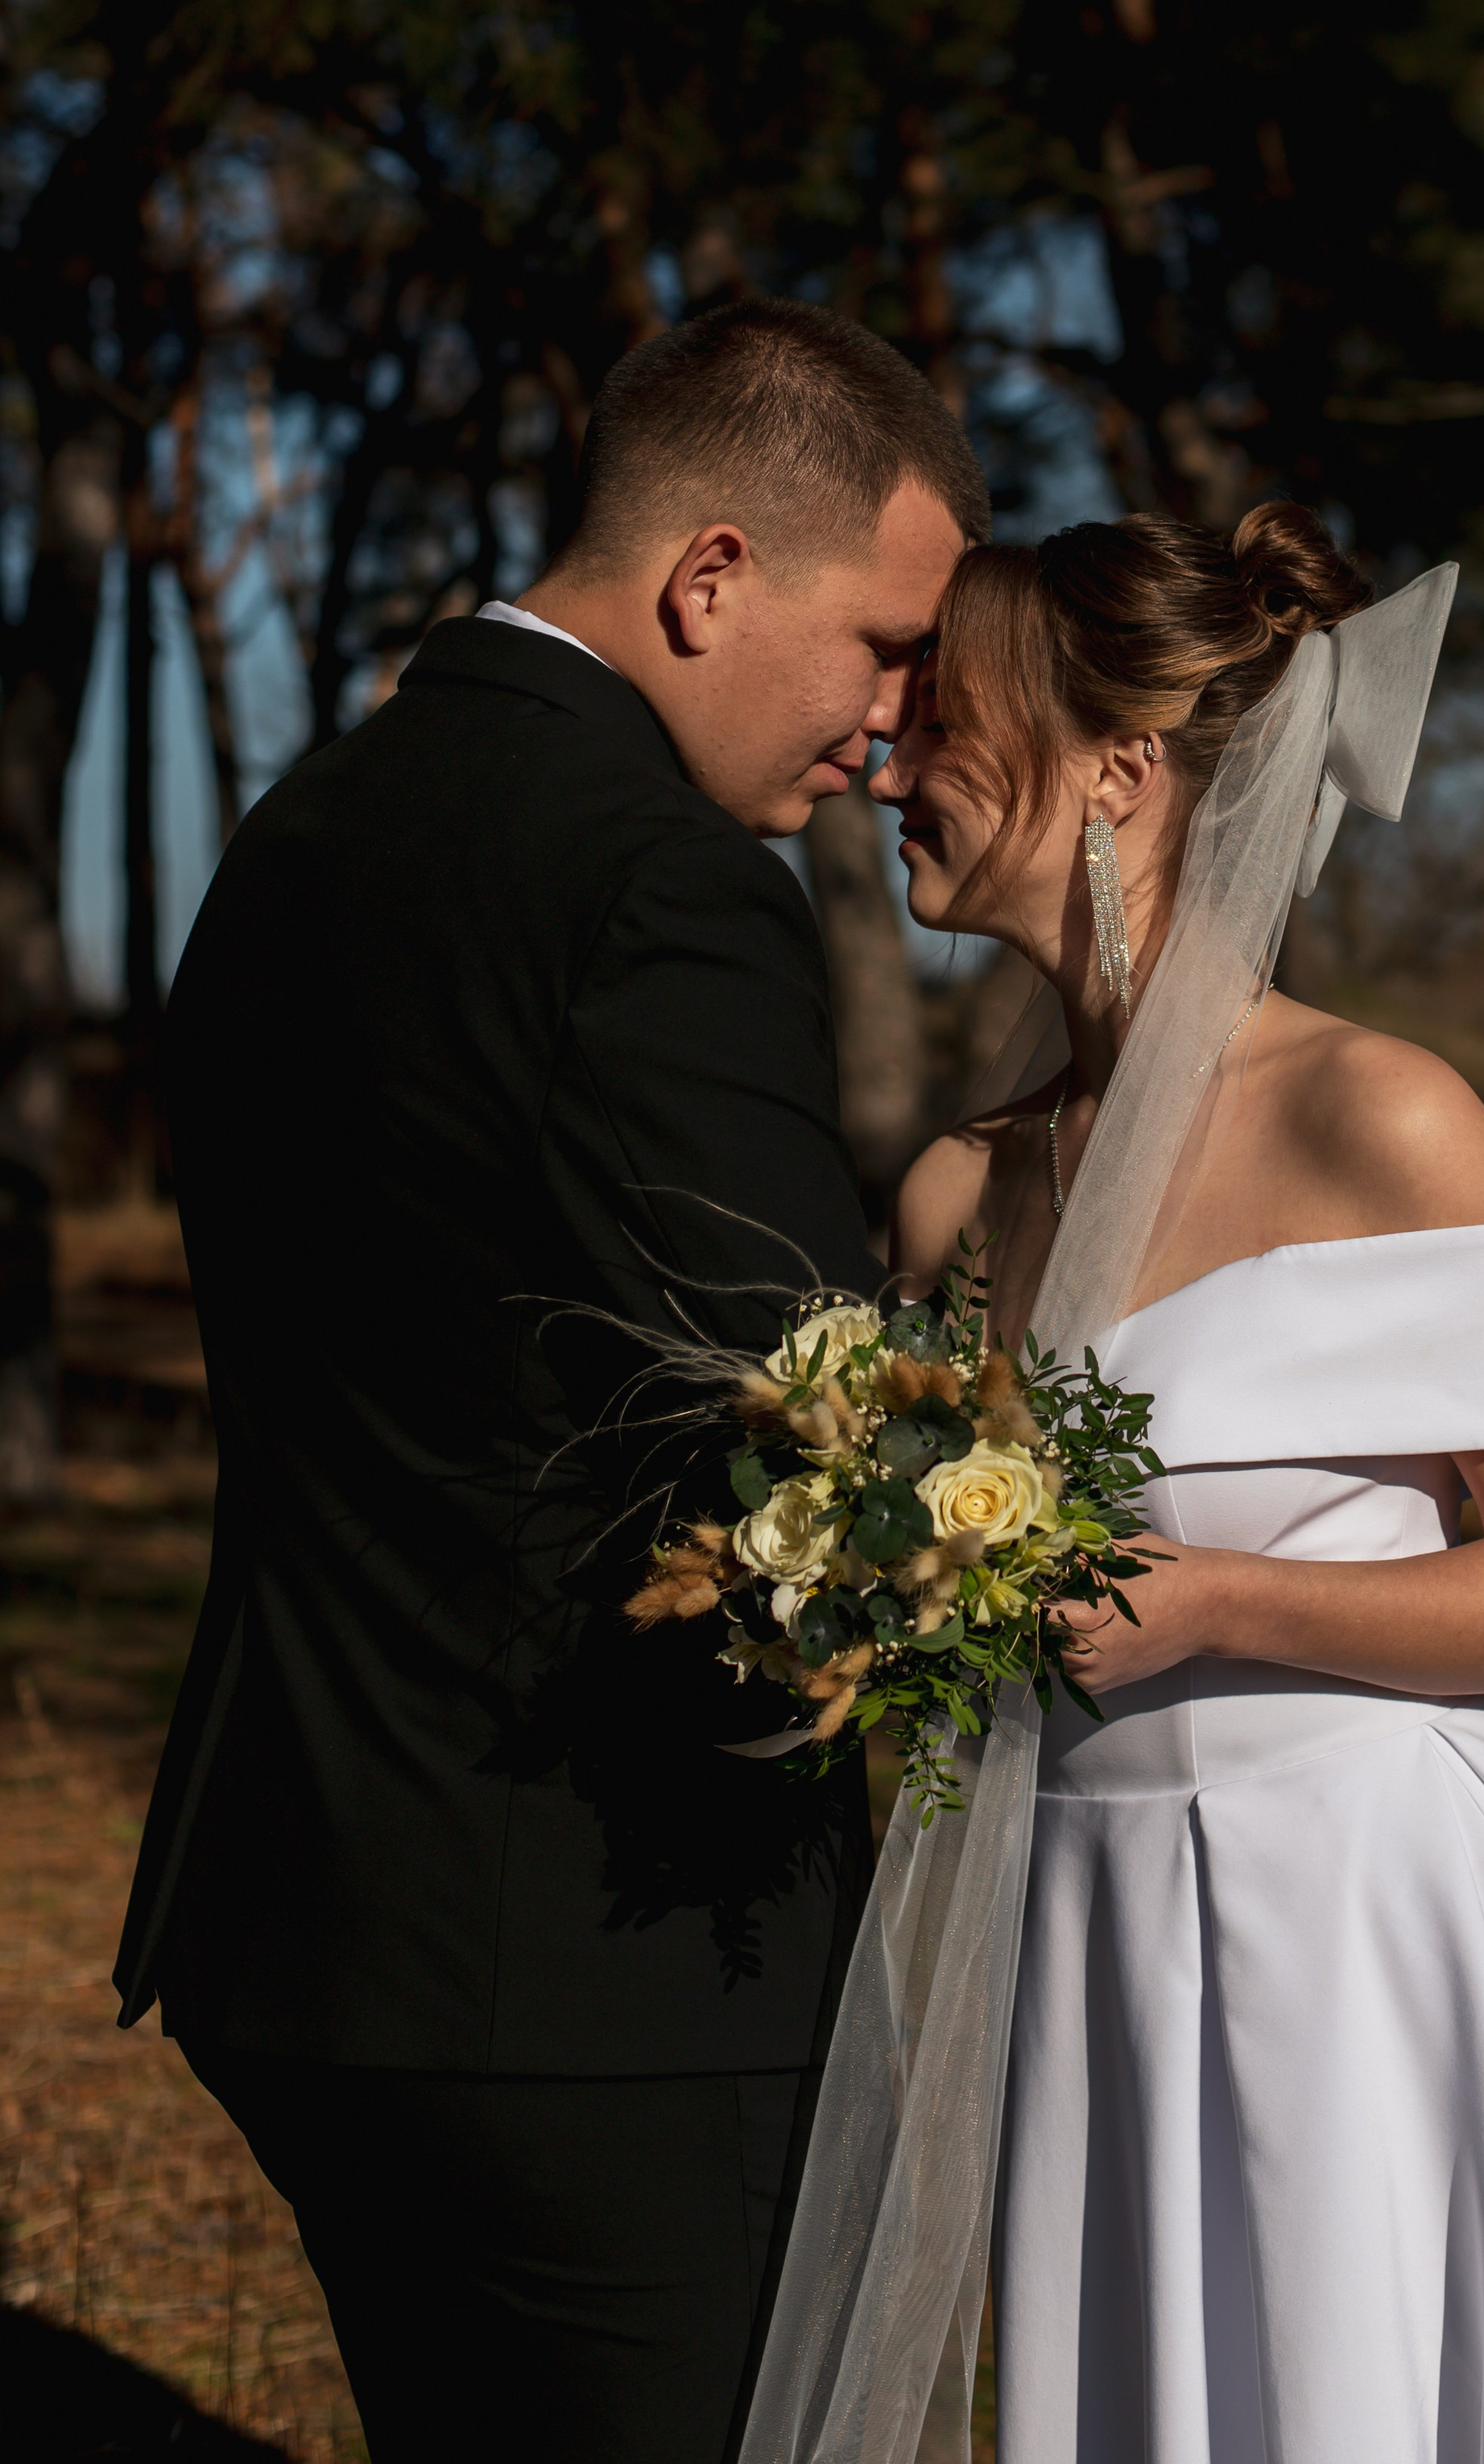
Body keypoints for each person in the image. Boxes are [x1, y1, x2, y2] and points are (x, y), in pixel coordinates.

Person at [115, 301, 986, 2464]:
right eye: (884, 643)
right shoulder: (658, 885)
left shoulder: (307, 830)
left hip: (302, 1906)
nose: (892, 727)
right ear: (710, 577)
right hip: (596, 1962)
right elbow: (815, 1432)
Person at [875, 502, 1484, 2464]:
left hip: (1372, 1919)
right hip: (1081, 1928)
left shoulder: (1376, 1117)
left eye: (950, 719)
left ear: (1120, 772)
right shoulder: (953, 1193)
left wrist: (1226, 1601)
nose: (890, 764)